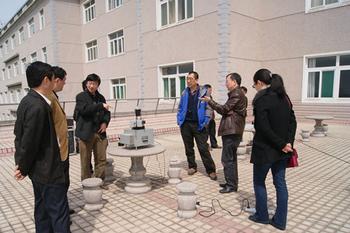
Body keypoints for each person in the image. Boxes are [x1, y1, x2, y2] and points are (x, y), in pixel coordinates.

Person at [14, 61, 70, 232]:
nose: (55, 82)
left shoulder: (27, 100)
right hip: (49, 170)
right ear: (46, 80)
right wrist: (22, 167)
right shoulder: (39, 106)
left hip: (38, 171)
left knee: (43, 211)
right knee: (59, 214)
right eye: (53, 79)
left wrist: (22, 164)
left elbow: (19, 135)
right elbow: (29, 141)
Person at [248, 68, 296, 231]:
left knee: (259, 182)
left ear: (260, 83)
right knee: (280, 184)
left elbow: (263, 127)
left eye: (254, 85)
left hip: (266, 150)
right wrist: (288, 142)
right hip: (282, 151)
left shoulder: (262, 99)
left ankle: (262, 216)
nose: (255, 88)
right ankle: (280, 221)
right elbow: (293, 122)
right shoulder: (285, 97)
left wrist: (281, 144)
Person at [201, 73, 247, 193]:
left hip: (232, 131)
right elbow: (227, 110)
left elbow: (224, 109)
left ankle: (231, 185)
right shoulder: (237, 93)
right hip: (233, 130)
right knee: (231, 158)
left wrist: (210, 101)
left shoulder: (236, 93)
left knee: (227, 159)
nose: (226, 83)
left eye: (227, 81)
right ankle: (231, 183)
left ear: (234, 82)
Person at [177, 71, 217, 180]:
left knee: (203, 148)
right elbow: (180, 107)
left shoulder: (204, 92)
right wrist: (179, 119)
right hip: (186, 124)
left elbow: (209, 108)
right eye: (187, 79)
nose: (188, 81)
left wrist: (206, 121)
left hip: (199, 125)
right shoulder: (185, 92)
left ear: (196, 80)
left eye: (191, 79)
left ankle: (211, 170)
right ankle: (192, 166)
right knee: (188, 147)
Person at [74, 73, 111, 182]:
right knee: (85, 161)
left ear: (97, 85)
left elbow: (107, 113)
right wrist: (100, 105)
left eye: (94, 84)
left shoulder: (101, 97)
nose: (92, 86)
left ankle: (97, 181)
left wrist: (105, 122)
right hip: (85, 133)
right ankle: (87, 183)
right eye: (90, 83)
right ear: (86, 84)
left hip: (99, 133)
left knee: (101, 160)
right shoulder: (80, 97)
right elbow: (85, 110)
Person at [203, 84, 220, 150]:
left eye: (211, 90)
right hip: (206, 118)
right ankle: (205, 146)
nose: (211, 91)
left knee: (212, 132)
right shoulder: (203, 97)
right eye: (210, 90)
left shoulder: (210, 97)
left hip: (212, 118)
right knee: (206, 133)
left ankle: (214, 144)